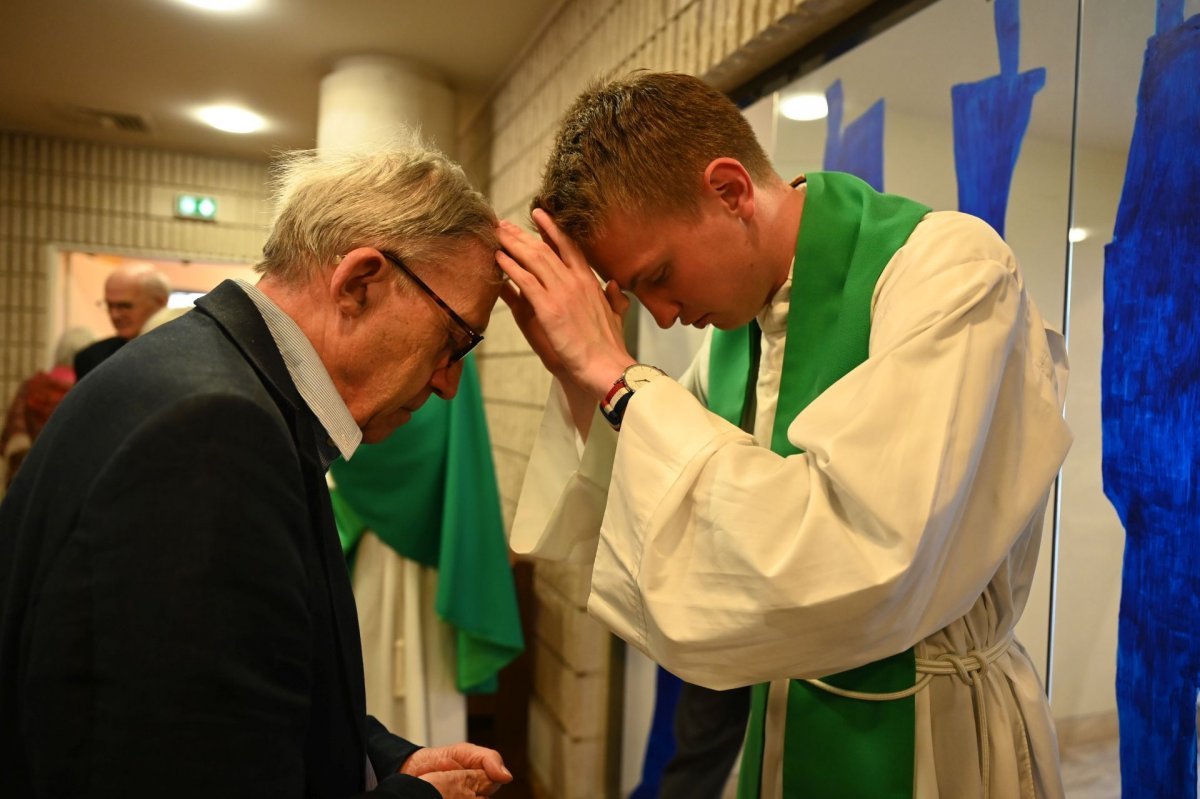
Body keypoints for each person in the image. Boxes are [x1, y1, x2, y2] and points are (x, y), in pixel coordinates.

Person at [497, 72, 1072, 798]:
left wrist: (619, 378)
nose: (665, 317)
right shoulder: (739, 338)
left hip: (939, 739)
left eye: (661, 275)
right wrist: (583, 377)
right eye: (637, 294)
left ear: (731, 191)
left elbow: (862, 559)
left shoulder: (950, 272)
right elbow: (679, 522)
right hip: (784, 718)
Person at [0, 142, 512, 798]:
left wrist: (383, 759)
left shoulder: (213, 377)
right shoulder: (211, 436)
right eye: (456, 339)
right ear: (360, 283)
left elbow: (228, 692)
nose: (449, 382)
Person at [0, 326, 94, 490]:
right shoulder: (87, 389)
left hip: (32, 475)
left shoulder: (32, 386)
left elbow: (14, 430)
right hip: (74, 478)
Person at [73, 263, 170, 379]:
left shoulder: (182, 354)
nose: (115, 315)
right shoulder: (90, 358)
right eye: (109, 305)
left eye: (125, 306)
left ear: (160, 302)